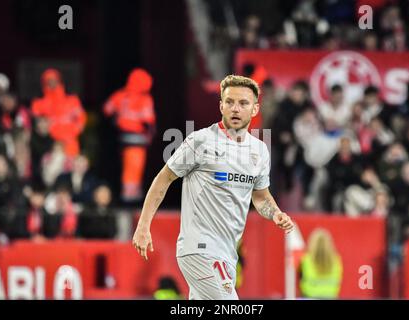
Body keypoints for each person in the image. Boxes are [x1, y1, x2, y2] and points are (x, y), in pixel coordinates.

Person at [132, 75, 294, 300]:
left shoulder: (259, 150)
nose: (235, 109)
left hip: (228, 253)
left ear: (255, 109)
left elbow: (260, 196)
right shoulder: (201, 141)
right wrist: (143, 226)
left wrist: (275, 213)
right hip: (199, 248)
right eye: (229, 102)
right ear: (221, 106)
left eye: (243, 103)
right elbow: (164, 179)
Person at [103, 68, 156, 202]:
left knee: (125, 169)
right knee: (134, 171)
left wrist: (117, 119)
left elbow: (107, 109)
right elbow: (149, 121)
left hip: (121, 139)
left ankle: (126, 195)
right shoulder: (145, 99)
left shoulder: (120, 96)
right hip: (137, 140)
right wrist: (150, 135)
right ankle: (130, 198)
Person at [31, 68, 86, 159]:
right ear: (44, 82)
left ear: (59, 80)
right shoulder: (38, 103)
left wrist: (73, 132)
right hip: (50, 144)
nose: (52, 83)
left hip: (70, 143)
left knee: (70, 169)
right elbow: (36, 125)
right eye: (48, 80)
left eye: (54, 79)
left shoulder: (72, 100)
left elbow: (81, 118)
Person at [299, 228, 343, 299]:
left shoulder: (306, 259)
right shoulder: (336, 259)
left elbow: (301, 279)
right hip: (331, 297)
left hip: (310, 296)